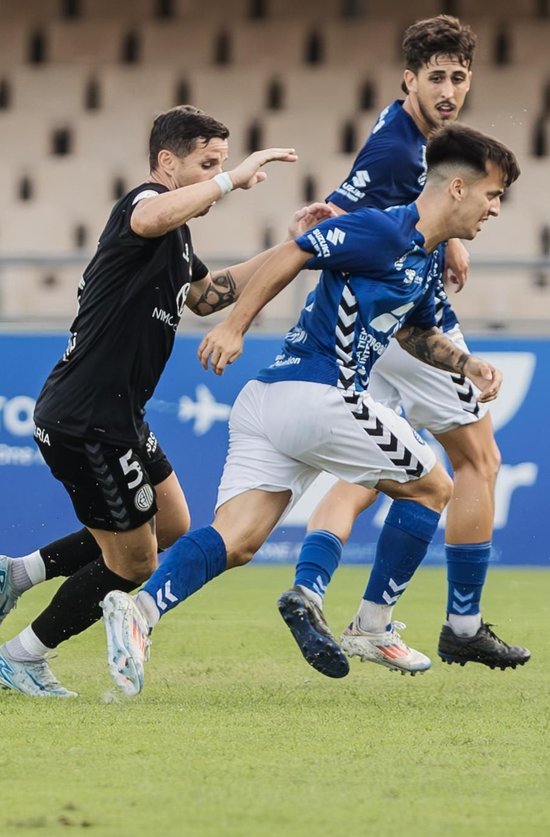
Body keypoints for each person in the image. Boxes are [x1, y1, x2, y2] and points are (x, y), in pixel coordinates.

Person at [98, 123, 520, 696]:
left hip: (269, 404)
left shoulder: (423, 259)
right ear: (457, 189)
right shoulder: (381, 229)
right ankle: (372, 626)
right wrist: (234, 323)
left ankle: (139, 613)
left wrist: (466, 366)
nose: (495, 209)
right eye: (492, 194)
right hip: (319, 395)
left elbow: (417, 333)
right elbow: (297, 250)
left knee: (238, 539)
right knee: (434, 487)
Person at [0, 105, 322, 696]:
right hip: (88, 419)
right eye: (207, 164)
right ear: (167, 163)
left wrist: (299, 247)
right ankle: (23, 656)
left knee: (172, 527)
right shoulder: (142, 205)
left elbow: (210, 296)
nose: (220, 175)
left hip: (120, 417)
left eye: (223, 164)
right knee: (135, 565)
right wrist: (233, 179)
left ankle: (16, 573)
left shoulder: (177, 239)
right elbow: (152, 212)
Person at [290, 14, 531, 672]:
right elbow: (349, 208)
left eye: (458, 77)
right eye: (436, 77)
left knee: (373, 470)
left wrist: (448, 236)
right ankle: (462, 623)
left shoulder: (418, 138)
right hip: (406, 324)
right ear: (409, 79)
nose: (449, 89)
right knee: (479, 460)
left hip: (376, 321)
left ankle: (309, 590)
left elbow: (395, 205)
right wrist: (324, 219)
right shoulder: (401, 147)